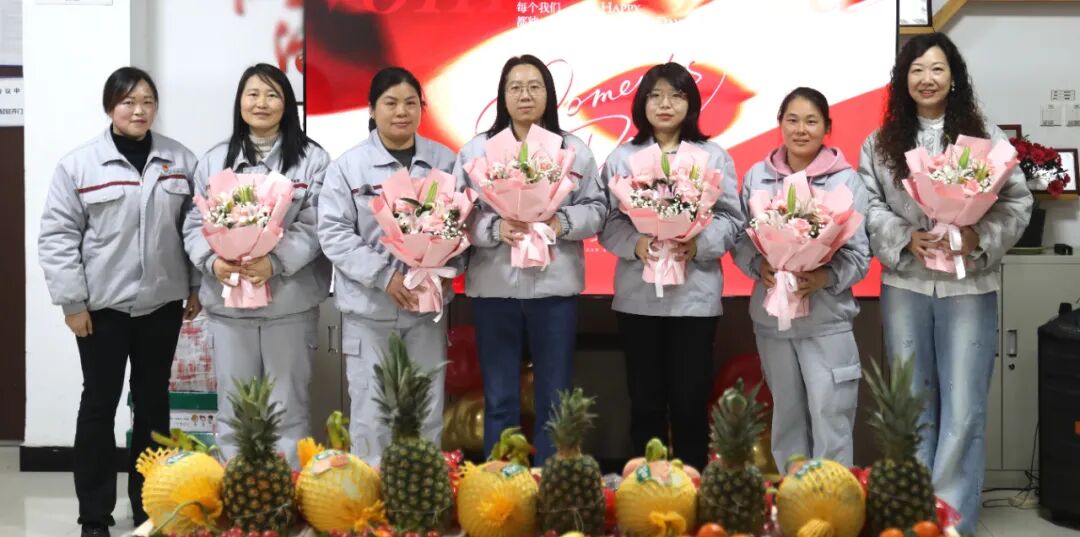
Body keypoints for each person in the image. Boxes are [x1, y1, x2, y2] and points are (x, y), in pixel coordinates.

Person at [858, 33, 1032, 533]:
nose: (926, 79)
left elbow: (1017, 203)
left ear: (954, 77)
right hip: (906, 285)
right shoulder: (880, 142)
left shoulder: (985, 138)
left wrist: (977, 236)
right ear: (903, 80)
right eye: (916, 70)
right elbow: (868, 205)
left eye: (936, 68)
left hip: (969, 287)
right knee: (909, 402)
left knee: (964, 405)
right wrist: (904, 237)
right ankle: (914, 514)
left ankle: (951, 519)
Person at [38, 67, 201, 537]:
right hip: (101, 310)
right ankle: (94, 515)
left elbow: (194, 229)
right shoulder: (79, 164)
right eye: (128, 101)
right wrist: (72, 303)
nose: (138, 110)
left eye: (147, 101)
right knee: (99, 404)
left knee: (153, 406)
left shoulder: (179, 160)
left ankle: (150, 505)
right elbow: (58, 236)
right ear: (110, 106)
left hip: (161, 306)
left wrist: (194, 287)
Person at [453, 54, 607, 465]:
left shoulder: (573, 150)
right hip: (495, 287)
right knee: (499, 397)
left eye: (534, 86)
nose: (525, 95)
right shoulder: (477, 150)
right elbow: (455, 215)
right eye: (516, 87)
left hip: (555, 287)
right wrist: (493, 229)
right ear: (502, 96)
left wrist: (561, 222)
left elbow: (597, 209)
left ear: (549, 94)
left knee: (554, 397)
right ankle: (500, 485)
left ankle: (549, 481)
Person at [183, 63, 330, 468]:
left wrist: (275, 262)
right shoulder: (215, 160)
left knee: (288, 409)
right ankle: (238, 488)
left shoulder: (313, 160)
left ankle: (288, 490)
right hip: (229, 307)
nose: (261, 103)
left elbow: (317, 223)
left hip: (289, 304)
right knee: (235, 411)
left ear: (287, 104)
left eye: (272, 94)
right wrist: (212, 261)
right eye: (252, 94)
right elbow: (194, 223)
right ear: (240, 102)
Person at [598, 62, 743, 470]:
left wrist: (697, 245)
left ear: (690, 103)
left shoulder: (712, 156)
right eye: (655, 95)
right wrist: (637, 243)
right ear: (642, 103)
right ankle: (647, 488)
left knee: (690, 401)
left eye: (676, 95)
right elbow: (607, 221)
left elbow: (733, 219)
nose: (665, 104)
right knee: (644, 402)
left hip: (694, 300)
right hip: (638, 299)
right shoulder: (622, 158)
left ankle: (692, 486)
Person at [317, 67, 457, 465]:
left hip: (426, 313)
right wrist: (385, 276)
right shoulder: (348, 167)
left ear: (422, 109)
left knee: (426, 410)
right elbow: (334, 233)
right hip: (370, 313)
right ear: (372, 109)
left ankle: (421, 493)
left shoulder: (445, 161)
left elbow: (464, 223)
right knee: (372, 416)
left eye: (411, 103)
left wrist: (446, 267)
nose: (401, 112)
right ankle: (372, 497)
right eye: (390, 103)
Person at [732, 87, 870, 471]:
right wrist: (757, 267)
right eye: (792, 120)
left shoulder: (847, 182)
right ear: (780, 124)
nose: (801, 129)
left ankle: (832, 495)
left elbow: (860, 255)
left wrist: (824, 277)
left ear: (827, 127)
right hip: (773, 323)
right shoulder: (757, 177)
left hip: (826, 321)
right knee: (786, 418)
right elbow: (740, 239)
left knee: (831, 415)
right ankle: (793, 495)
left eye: (811, 121)